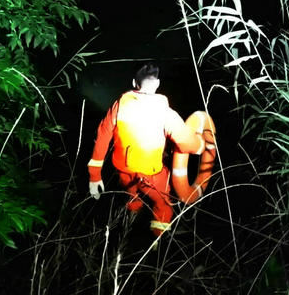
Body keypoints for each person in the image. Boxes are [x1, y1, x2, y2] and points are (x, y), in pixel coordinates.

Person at [87, 63, 208, 237]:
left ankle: (129, 222)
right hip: (153, 177)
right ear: (157, 84)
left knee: (131, 196)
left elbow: (103, 134)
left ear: (134, 82)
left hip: (124, 173)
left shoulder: (120, 105)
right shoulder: (166, 113)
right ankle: (156, 240)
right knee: (164, 203)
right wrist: (202, 144)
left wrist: (95, 175)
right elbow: (187, 144)